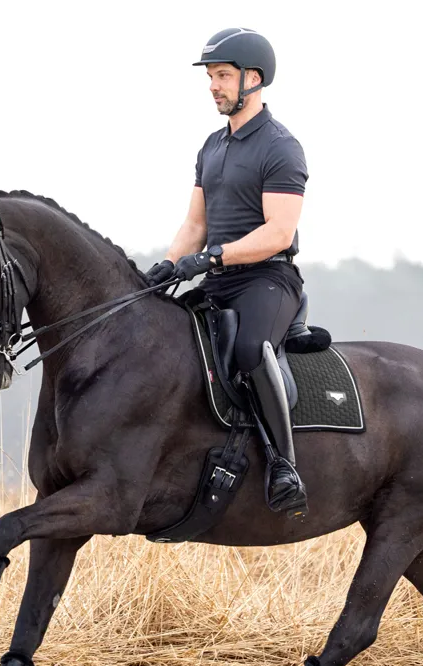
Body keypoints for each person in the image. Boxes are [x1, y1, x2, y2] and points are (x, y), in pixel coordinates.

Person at [147, 28, 309, 516]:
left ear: (253, 79)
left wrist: (215, 257)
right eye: (212, 76)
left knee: (247, 351)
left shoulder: (282, 147)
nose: (213, 86)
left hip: (268, 280)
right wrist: (171, 264)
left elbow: (279, 232)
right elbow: (196, 224)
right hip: (218, 279)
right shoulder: (211, 147)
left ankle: (284, 465)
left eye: (222, 76)